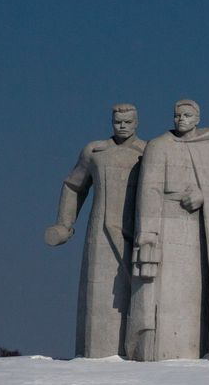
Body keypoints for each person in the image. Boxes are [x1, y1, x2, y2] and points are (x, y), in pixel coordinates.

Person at [129, 99, 209, 361]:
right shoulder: (159, 146)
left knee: (194, 296)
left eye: (187, 115)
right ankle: (159, 352)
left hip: (199, 232)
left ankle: (194, 350)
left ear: (197, 118)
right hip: (164, 226)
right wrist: (148, 233)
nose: (181, 120)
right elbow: (149, 190)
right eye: (177, 115)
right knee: (161, 296)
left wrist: (203, 195)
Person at [43, 104, 146, 358]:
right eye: (117, 121)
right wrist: (65, 223)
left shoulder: (147, 152)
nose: (122, 126)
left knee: (138, 292)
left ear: (137, 122)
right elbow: (73, 185)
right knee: (98, 294)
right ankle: (96, 355)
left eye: (128, 121)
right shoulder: (95, 151)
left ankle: (137, 352)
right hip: (99, 231)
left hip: (136, 231)